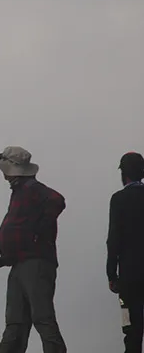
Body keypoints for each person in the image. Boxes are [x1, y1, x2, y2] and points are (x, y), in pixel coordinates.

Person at [0, 146, 67, 353]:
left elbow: (57, 200)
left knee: (41, 318)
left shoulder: (31, 188)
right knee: (15, 323)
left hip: (35, 261)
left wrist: (37, 233)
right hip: (20, 261)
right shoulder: (21, 189)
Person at [107, 151, 144, 353]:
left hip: (128, 277)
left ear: (124, 174)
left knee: (130, 327)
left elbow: (114, 239)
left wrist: (111, 274)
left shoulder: (118, 199)